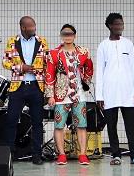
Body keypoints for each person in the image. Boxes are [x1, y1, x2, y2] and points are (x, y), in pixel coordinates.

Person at [95, 12, 134, 166]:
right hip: (109, 93)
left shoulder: (128, 44)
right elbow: (99, 71)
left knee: (132, 125)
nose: (120, 27)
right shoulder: (103, 45)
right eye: (117, 24)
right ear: (110, 26)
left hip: (128, 92)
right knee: (111, 125)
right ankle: (115, 155)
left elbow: (133, 68)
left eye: (121, 24)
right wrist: (99, 96)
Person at [2, 15, 49, 165]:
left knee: (37, 122)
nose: (34, 29)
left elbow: (48, 63)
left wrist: (45, 84)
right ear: (23, 28)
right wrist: (20, 68)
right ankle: (11, 153)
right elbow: (5, 62)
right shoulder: (12, 41)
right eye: (31, 27)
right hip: (18, 86)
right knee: (11, 120)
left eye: (34, 26)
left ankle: (37, 155)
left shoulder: (42, 41)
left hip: (37, 86)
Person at [45, 24, 94, 166]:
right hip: (60, 94)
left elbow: (89, 68)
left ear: (74, 35)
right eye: (65, 34)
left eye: (70, 34)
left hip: (79, 94)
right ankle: (61, 154)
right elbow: (49, 74)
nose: (68, 36)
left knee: (81, 125)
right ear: (61, 35)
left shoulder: (83, 52)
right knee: (59, 125)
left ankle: (83, 154)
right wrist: (50, 95)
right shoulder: (54, 53)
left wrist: (86, 83)